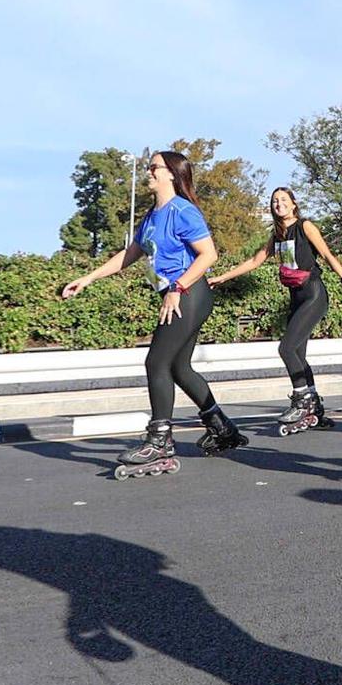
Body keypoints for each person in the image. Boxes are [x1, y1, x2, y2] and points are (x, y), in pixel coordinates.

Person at [62, 149, 244, 477]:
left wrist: (177, 288)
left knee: (156, 362)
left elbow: (209, 254)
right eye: (148, 168)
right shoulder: (150, 217)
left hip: (188, 294)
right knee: (179, 367)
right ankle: (221, 427)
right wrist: (87, 278)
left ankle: (160, 440)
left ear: (172, 174)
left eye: (154, 167)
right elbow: (129, 254)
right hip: (176, 295)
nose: (148, 172)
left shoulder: (182, 211)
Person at [208, 187, 342, 435]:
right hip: (295, 296)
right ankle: (314, 405)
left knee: (285, 348)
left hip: (313, 294)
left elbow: (326, 254)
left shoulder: (305, 226)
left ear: (294, 205)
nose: (279, 204)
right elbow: (254, 261)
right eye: (275, 201)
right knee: (297, 352)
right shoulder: (277, 234)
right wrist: (222, 277)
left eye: (284, 200)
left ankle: (301, 399)